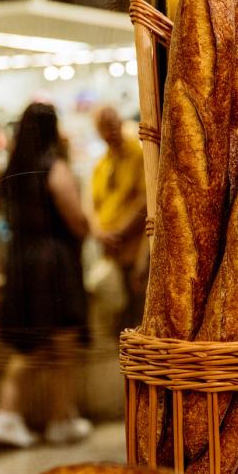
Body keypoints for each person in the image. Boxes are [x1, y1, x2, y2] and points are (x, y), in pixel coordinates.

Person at [0, 102, 93, 447]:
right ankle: (28, 416)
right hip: (53, 264)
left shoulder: (12, 173)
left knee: (33, 343)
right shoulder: (54, 167)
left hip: (21, 263)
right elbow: (76, 221)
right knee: (59, 344)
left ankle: (51, 416)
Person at [91, 106, 148, 331]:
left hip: (134, 250)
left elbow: (144, 200)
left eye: (114, 123)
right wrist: (99, 232)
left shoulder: (137, 154)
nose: (111, 130)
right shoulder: (101, 164)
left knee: (136, 315)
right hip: (111, 251)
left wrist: (120, 232)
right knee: (119, 316)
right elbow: (94, 205)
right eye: (105, 126)